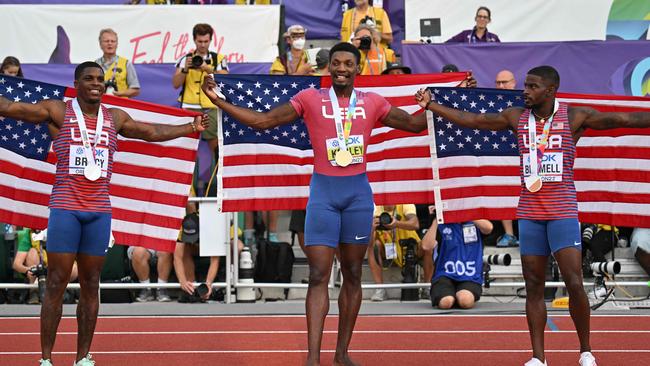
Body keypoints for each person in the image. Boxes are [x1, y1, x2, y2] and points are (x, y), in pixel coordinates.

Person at [202, 42, 433, 366]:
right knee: (317, 275)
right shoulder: (310, 98)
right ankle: (312, 358)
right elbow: (264, 121)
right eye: (336, 63)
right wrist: (219, 102)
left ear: (357, 68)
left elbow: (415, 124)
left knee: (353, 273)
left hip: (357, 196)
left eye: (347, 64)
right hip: (323, 195)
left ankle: (341, 353)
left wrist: (439, 103)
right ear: (329, 67)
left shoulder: (372, 102)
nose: (341, 68)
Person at [416, 65, 650, 366]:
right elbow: (475, 120)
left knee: (574, 281)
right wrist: (432, 105)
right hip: (529, 212)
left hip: (563, 210)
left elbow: (626, 119)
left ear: (551, 90)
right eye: (525, 85)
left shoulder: (574, 116)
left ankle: (585, 350)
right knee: (534, 285)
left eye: (532, 86)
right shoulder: (516, 117)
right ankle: (538, 357)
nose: (525, 90)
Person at [0, 61, 207, 366]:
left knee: (90, 283)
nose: (96, 83)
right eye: (89, 79)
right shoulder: (59, 111)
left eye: (100, 79)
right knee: (56, 281)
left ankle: (83, 357)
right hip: (65, 208)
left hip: (98, 210)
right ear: (77, 82)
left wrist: (189, 127)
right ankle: (46, 358)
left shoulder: (115, 117)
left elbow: (150, 131)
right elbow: (11, 108)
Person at [172, 23, 228, 156]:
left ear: (210, 40)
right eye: (199, 41)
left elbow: (225, 80)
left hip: (211, 106)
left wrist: (208, 69)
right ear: (194, 40)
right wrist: (185, 69)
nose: (202, 45)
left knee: (216, 147)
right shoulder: (186, 59)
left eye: (206, 41)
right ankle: (188, 177)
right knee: (187, 147)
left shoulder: (218, 58)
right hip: (189, 106)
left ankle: (216, 177)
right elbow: (175, 84)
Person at [422, 217, 493, 309]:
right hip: (444, 275)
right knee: (446, 303)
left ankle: (456, 297)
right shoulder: (442, 224)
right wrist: (436, 219)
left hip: (470, 275)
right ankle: (450, 297)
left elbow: (489, 228)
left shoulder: (475, 222)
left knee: (465, 301)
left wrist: (466, 212)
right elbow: (426, 246)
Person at [369, 204, 433, 302]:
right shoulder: (375, 209)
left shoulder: (405, 204)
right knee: (373, 246)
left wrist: (397, 223)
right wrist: (371, 229)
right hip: (388, 249)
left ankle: (427, 288)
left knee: (428, 247)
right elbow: (368, 244)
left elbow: (415, 224)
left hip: (411, 246)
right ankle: (379, 289)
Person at [494, 69, 519, 248]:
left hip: (525, 152)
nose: (501, 86)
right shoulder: (491, 101)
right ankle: (509, 234)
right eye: (498, 83)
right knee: (502, 191)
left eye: (505, 82)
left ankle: (528, 233)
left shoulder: (525, 99)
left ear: (514, 82)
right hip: (501, 153)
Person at [94, 29, 141, 98]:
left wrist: (119, 93)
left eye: (113, 41)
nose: (110, 43)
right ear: (100, 44)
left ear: (117, 44)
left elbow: (135, 90)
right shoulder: (95, 64)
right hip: (100, 105)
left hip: (121, 106)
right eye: (106, 41)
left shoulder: (126, 63)